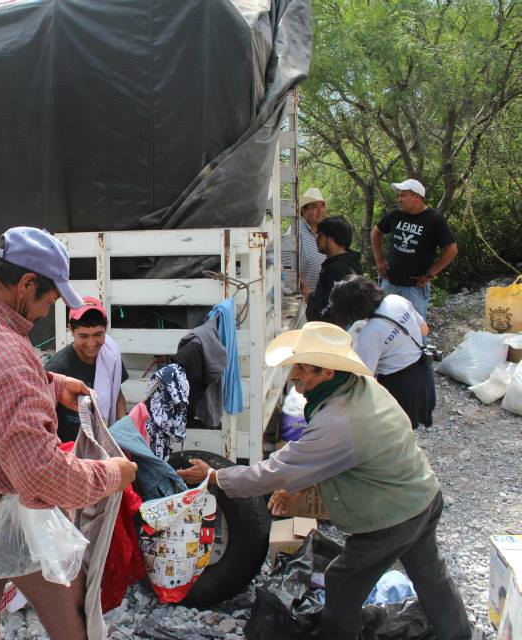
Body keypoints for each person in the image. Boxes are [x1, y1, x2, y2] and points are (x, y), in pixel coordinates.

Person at [176, 322, 472, 640]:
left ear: (327, 372)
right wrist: (298, 486)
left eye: (303, 369)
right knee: (431, 575)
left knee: (343, 581)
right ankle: (459, 634)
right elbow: (324, 460)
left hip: (393, 516)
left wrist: (215, 476)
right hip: (423, 495)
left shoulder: (339, 420)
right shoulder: (361, 387)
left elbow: (277, 471)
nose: (295, 376)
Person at [0, 226, 138, 640]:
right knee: (73, 614)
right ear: (26, 283)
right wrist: (113, 475)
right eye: (50, 299)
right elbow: (42, 475)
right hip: (4, 506)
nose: (45, 311)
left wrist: (51, 384)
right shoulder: (1, 351)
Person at [326, 275, 435, 429]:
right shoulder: (396, 301)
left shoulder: (369, 334)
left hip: (399, 387)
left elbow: (364, 378)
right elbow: (424, 330)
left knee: (396, 433)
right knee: (409, 430)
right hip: (423, 373)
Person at [372, 178, 458, 320]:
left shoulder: (434, 219)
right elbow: (376, 231)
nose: (399, 199)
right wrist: (379, 260)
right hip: (389, 282)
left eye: (403, 195)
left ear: (417, 197)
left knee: (415, 327)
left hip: (414, 288)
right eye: (398, 196)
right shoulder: (395, 215)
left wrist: (430, 274)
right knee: (385, 321)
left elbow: (452, 249)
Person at [45, 296, 129, 440]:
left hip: (104, 444)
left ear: (106, 327)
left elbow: (117, 396)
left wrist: (124, 431)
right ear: (71, 330)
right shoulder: (57, 368)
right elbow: (45, 416)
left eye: (98, 334)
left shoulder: (111, 357)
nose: (91, 343)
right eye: (83, 336)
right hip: (70, 451)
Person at [306, 215, 361, 321]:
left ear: (331, 239)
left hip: (331, 333)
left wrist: (310, 298)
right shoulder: (349, 262)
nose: (316, 239)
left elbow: (329, 308)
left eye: (320, 235)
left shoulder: (336, 269)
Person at [298, 187, 328, 297]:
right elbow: (287, 269)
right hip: (305, 301)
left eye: (322, 206)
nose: (320, 211)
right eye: (314, 206)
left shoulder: (324, 233)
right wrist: (307, 291)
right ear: (303, 211)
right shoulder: (296, 233)